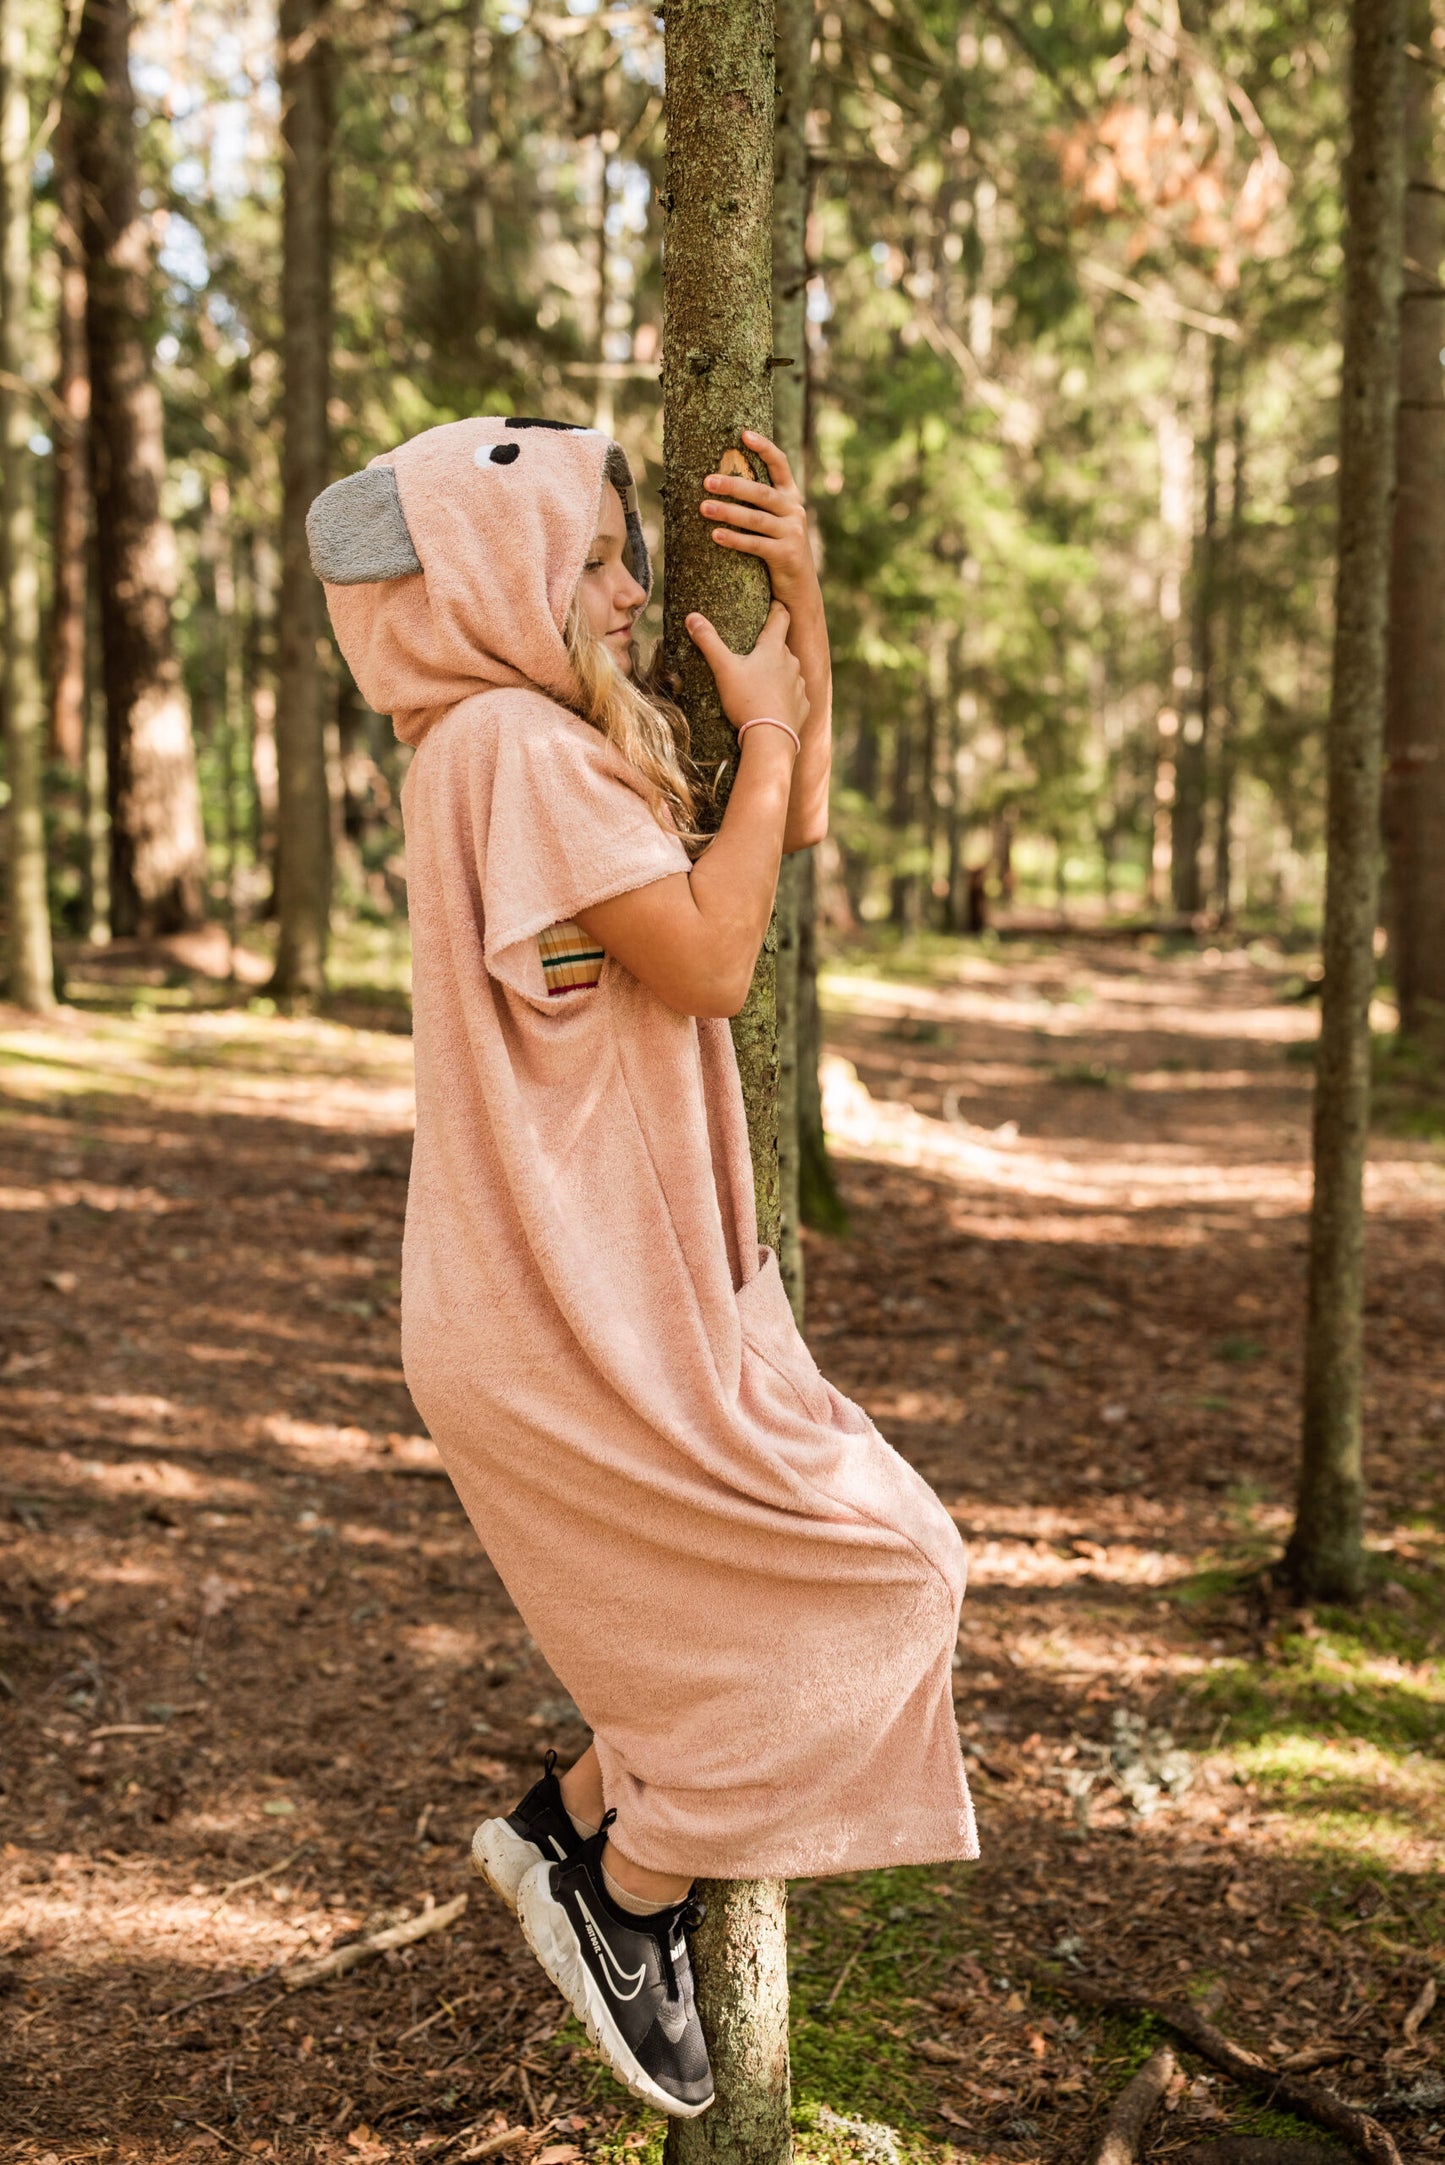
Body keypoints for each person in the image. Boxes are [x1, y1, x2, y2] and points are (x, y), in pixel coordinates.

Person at [308, 417, 976, 2120]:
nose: (625, 592)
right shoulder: (512, 748)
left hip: (617, 1284)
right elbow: (713, 955)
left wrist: (799, 616)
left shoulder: (523, 741)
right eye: (593, 560)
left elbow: (782, 821)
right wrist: (766, 719)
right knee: (895, 1578)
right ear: (495, 572)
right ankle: (623, 1879)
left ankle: (574, 1822)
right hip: (569, 1306)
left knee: (819, 1597)